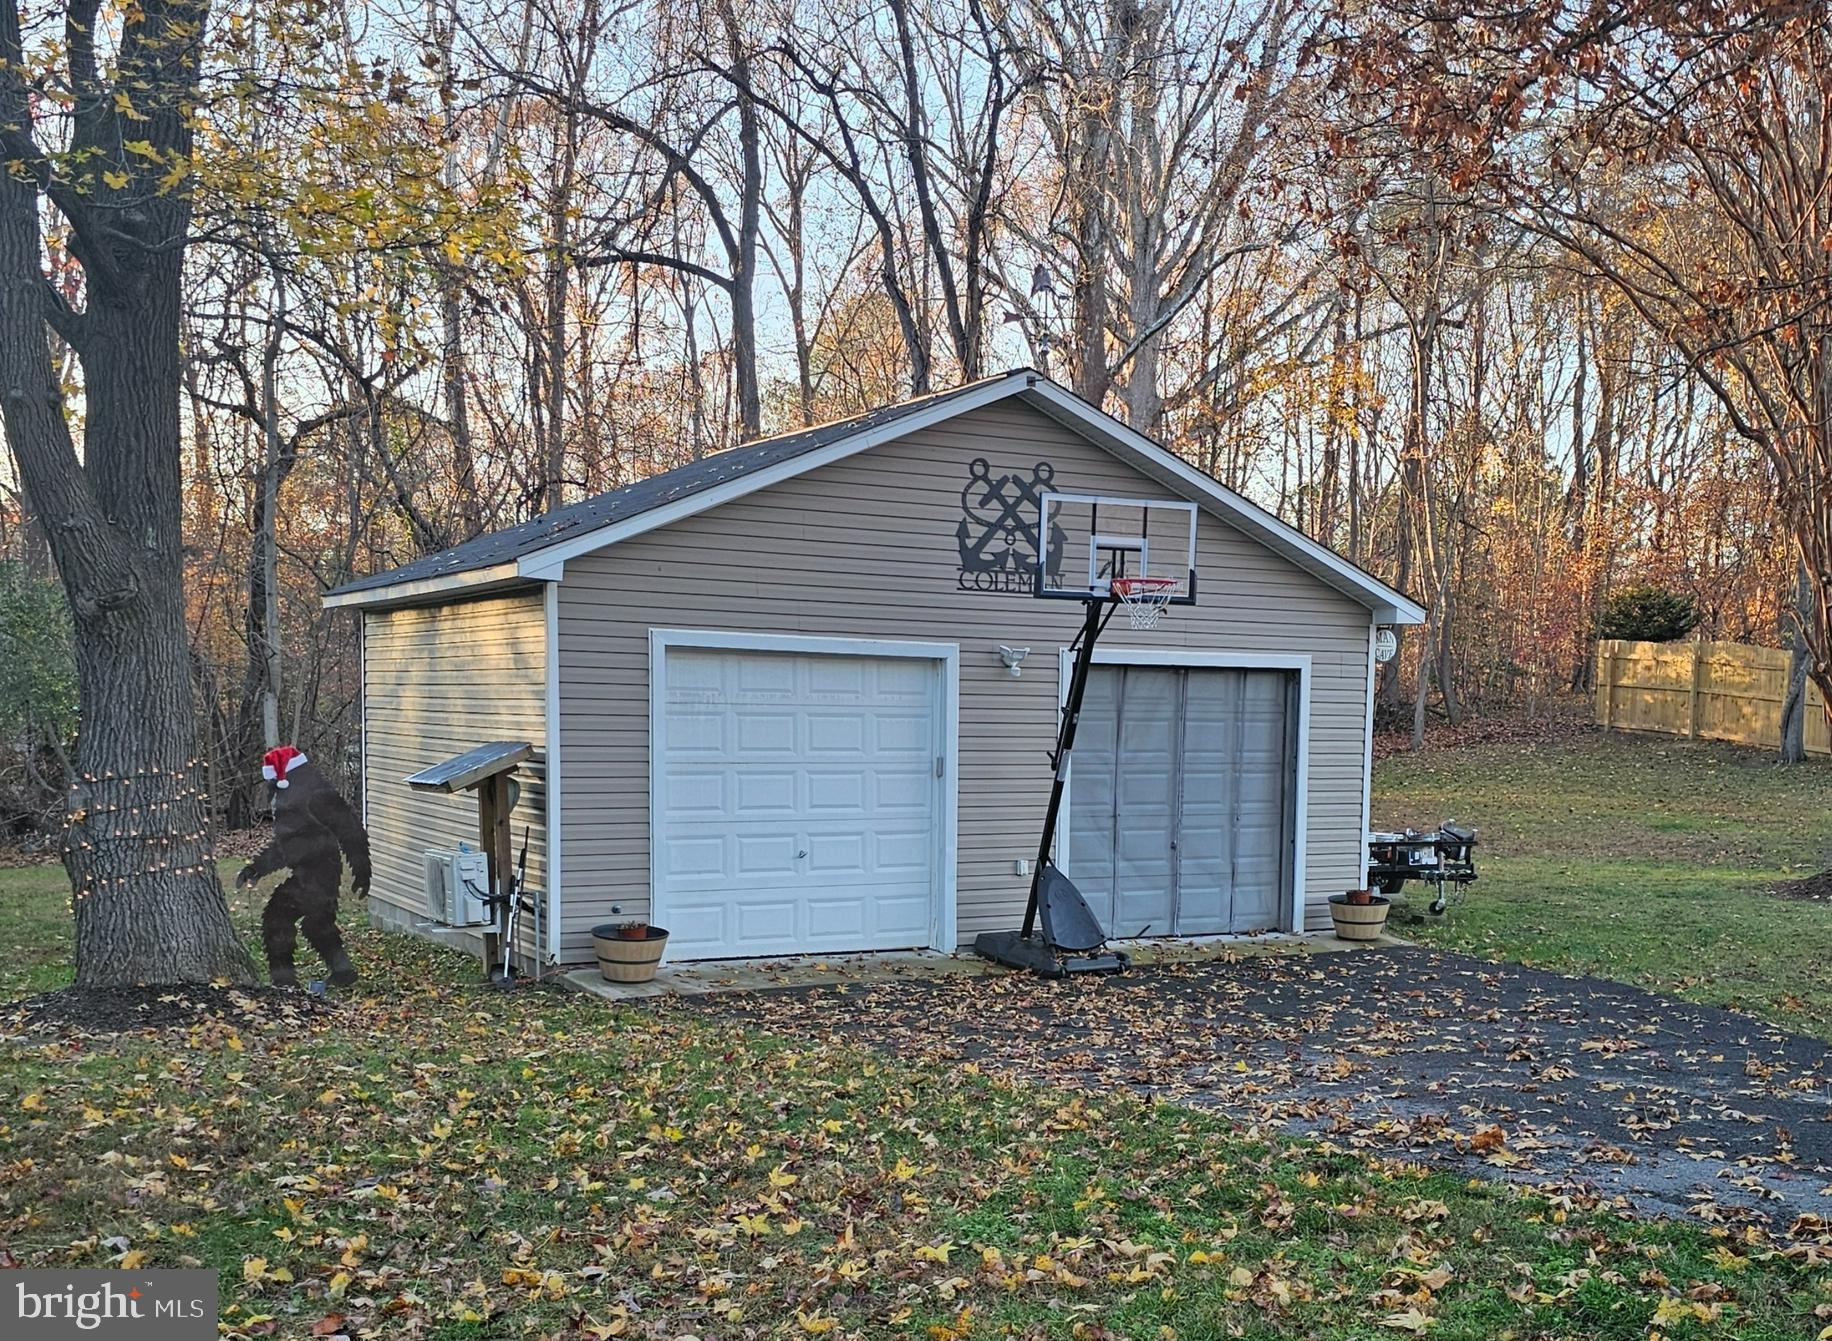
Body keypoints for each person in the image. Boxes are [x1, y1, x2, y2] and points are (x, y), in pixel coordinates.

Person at [236, 746, 371, 988]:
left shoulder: (315, 794)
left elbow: (350, 829)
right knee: (317, 924)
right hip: (311, 870)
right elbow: (286, 846)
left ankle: (284, 980)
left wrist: (362, 870)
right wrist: (255, 869)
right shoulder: (295, 795)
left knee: (277, 919)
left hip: (319, 872)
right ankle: (342, 972)